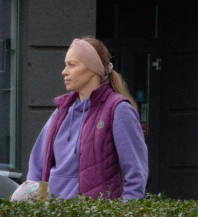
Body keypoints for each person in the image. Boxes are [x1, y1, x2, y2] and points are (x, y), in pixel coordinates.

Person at [26, 36, 147, 200]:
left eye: (72, 65)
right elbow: (36, 170)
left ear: (92, 69)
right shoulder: (60, 113)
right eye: (65, 64)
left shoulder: (119, 110)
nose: (64, 71)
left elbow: (135, 175)